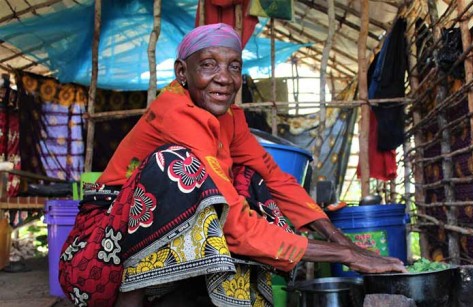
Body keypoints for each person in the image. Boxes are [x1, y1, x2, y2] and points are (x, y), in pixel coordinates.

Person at [59, 23, 406, 307]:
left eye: (233, 66)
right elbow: (234, 224)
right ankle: (130, 300)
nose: (224, 78)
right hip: (102, 247)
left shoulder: (231, 117)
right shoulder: (176, 114)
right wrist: (345, 256)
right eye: (208, 64)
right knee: (179, 168)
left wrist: (344, 242)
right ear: (183, 71)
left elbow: (276, 179)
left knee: (251, 178)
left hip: (158, 233)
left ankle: (202, 294)